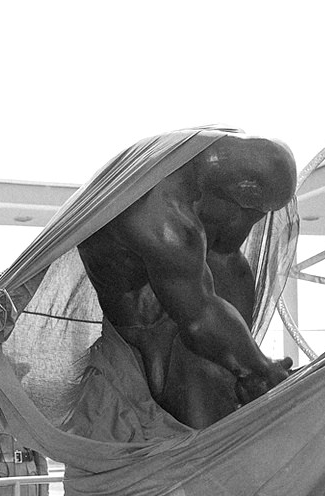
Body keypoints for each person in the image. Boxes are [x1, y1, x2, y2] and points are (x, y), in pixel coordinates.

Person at [77, 131, 297, 429]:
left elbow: (228, 259)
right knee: (207, 457)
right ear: (246, 188)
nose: (251, 223)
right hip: (149, 348)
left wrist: (254, 364)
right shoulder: (162, 210)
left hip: (201, 331)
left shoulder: (211, 159)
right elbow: (199, 320)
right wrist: (259, 369)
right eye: (255, 211)